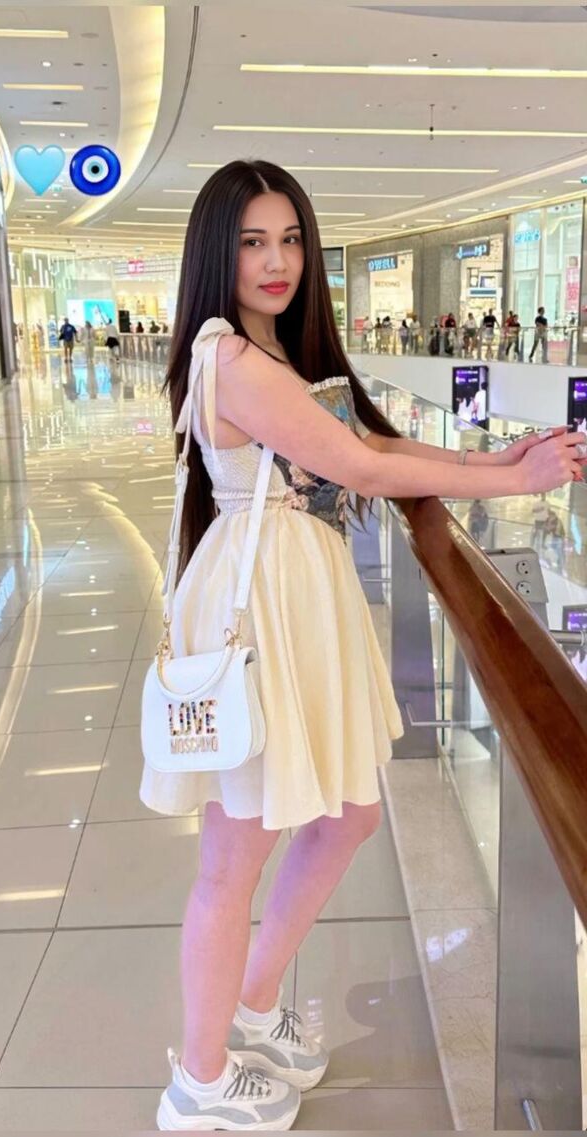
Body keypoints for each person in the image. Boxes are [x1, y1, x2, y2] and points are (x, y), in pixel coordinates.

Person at [144, 157, 587, 1134]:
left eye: (290, 240)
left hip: (296, 598)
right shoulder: (228, 355)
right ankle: (200, 1082)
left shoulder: (272, 350)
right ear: (216, 251)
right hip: (264, 606)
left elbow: (372, 445)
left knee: (346, 814)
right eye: (253, 242)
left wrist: (484, 458)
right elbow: (355, 466)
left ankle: (253, 1005)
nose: (276, 261)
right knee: (232, 856)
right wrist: (512, 482)